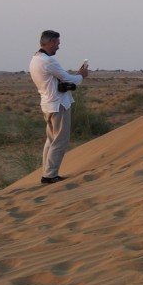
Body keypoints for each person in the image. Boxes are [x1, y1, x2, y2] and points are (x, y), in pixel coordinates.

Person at [29, 29, 89, 184]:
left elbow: (60, 80)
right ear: (51, 42)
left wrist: (74, 76)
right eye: (57, 43)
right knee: (60, 140)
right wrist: (81, 75)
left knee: (51, 140)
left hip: (48, 104)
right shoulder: (48, 61)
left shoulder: (35, 59)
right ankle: (50, 175)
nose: (58, 46)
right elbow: (68, 79)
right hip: (58, 104)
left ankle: (47, 172)